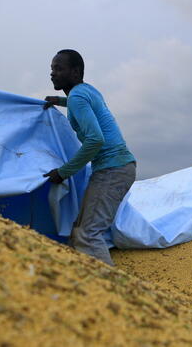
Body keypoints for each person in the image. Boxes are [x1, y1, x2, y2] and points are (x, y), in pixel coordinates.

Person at [42, 49, 136, 266]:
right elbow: (83, 104)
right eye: (52, 69)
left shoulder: (77, 97)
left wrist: (63, 172)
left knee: (88, 234)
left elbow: (95, 140)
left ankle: (116, 292)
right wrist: (59, 100)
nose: (52, 73)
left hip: (113, 169)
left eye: (58, 68)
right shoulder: (86, 91)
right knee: (79, 231)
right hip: (118, 167)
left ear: (75, 73)